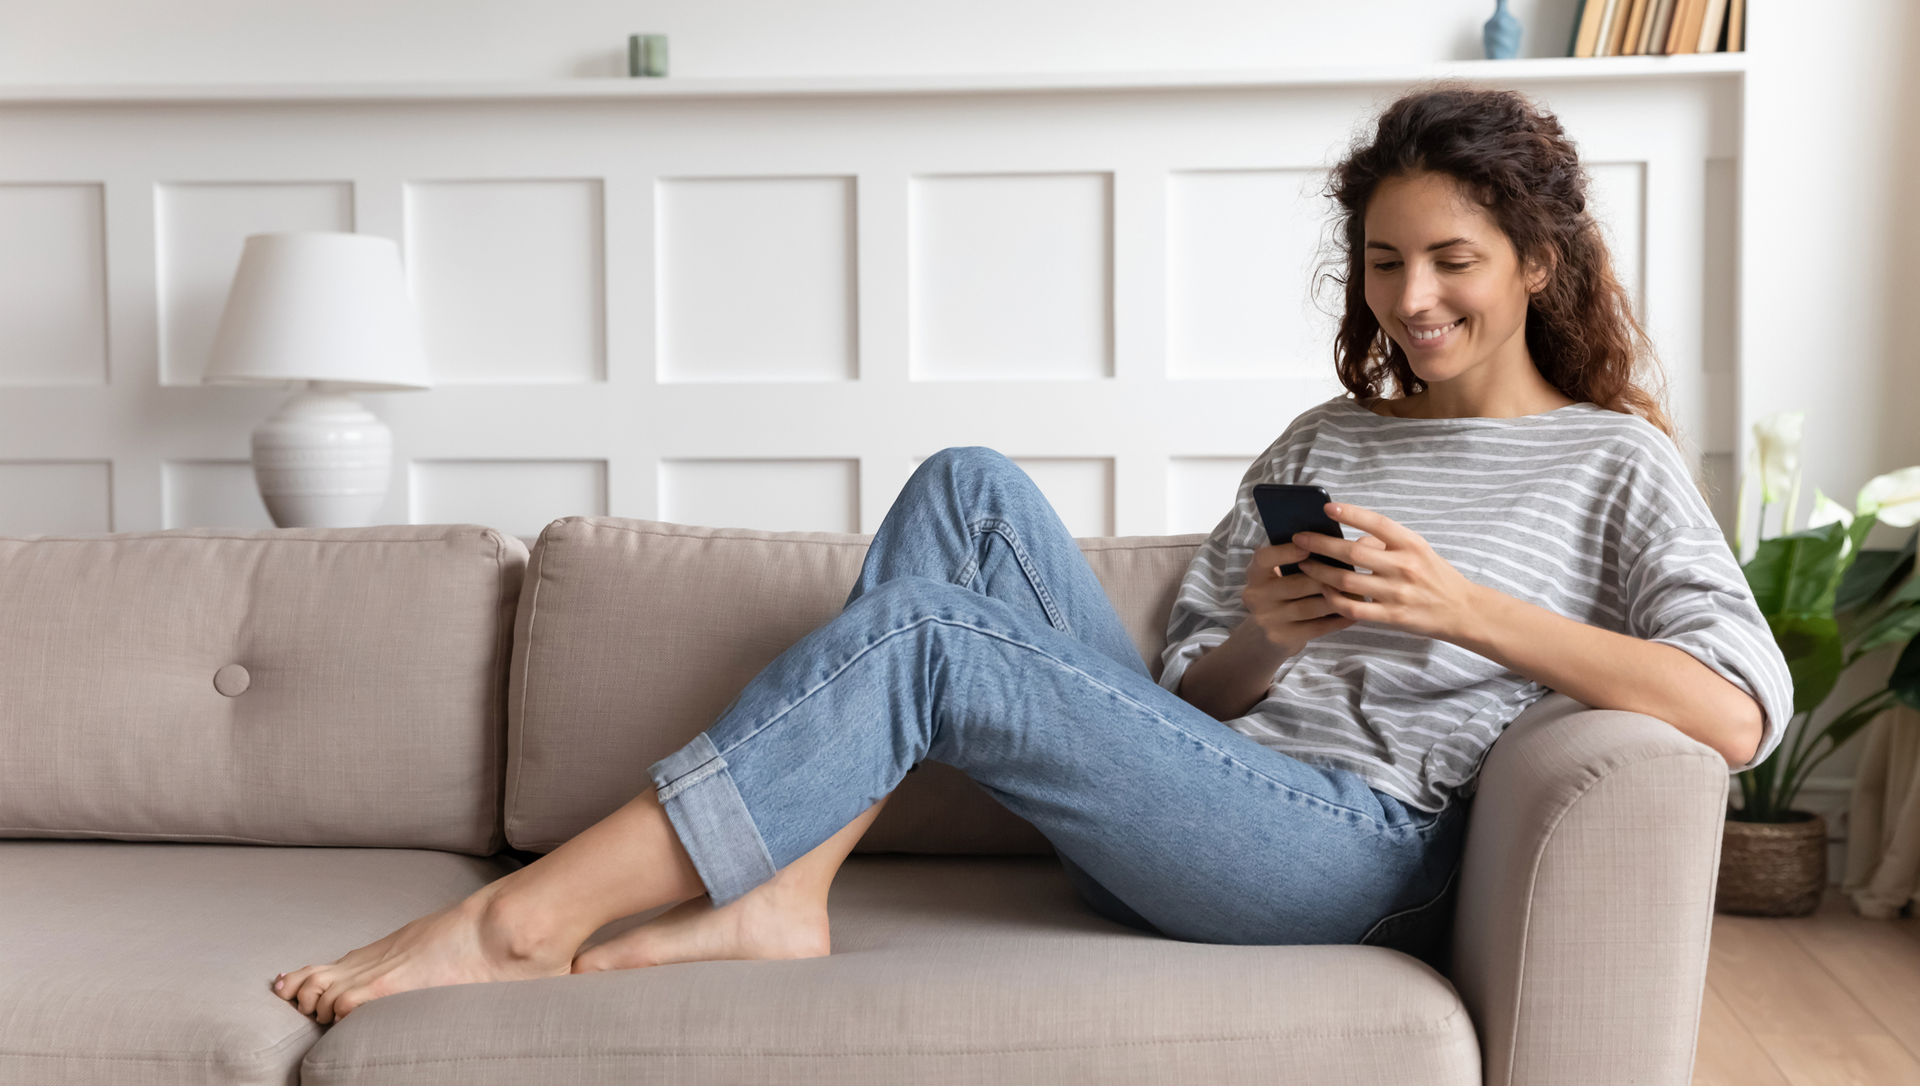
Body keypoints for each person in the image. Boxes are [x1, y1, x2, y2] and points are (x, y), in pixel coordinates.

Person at [273, 85, 1791, 1024]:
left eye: (1453, 260)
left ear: (1536, 259)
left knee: (933, 636)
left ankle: (519, 915)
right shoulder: (1328, 438)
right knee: (967, 487)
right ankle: (781, 895)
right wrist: (1267, 635)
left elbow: (1735, 710)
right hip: (1220, 805)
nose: (1414, 298)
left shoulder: (1613, 459)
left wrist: (1470, 609)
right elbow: (1186, 697)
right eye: (1387, 262)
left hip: (1359, 856)